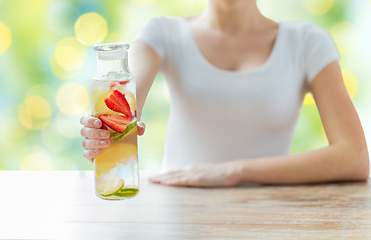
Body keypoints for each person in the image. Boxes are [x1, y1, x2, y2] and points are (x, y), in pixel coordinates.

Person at [80, 0, 369, 187]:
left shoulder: (307, 42)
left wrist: (234, 171)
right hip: (180, 208)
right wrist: (101, 131)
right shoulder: (163, 32)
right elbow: (124, 108)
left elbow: (354, 158)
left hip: (269, 213)